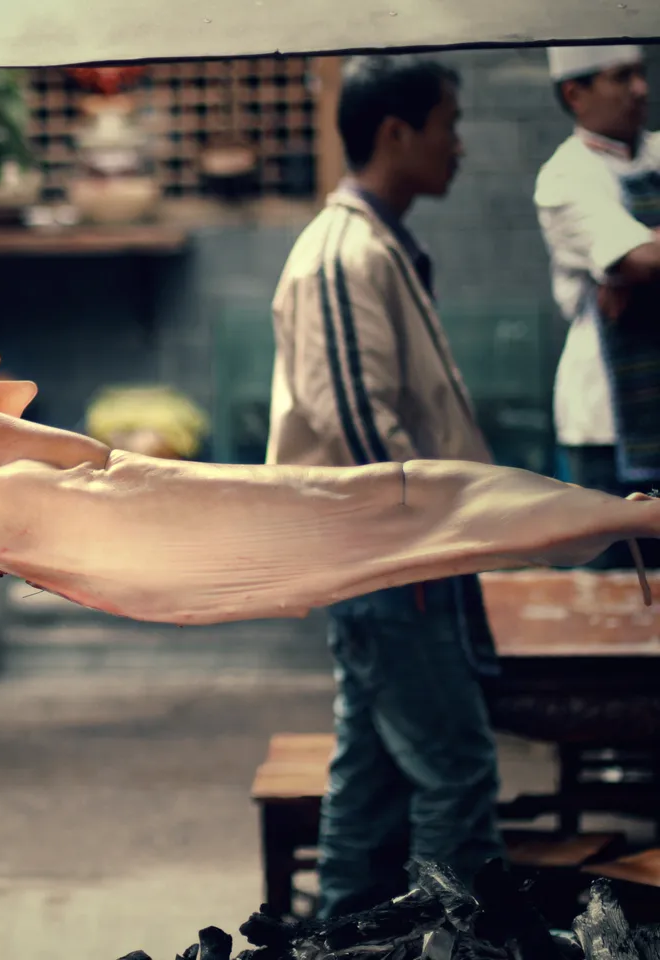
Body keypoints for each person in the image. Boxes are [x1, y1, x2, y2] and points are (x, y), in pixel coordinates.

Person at [266, 55, 506, 918]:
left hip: (401, 556)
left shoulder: (375, 245)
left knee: (371, 780)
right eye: (449, 125)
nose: (459, 146)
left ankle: (346, 934)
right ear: (397, 133)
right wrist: (421, 554)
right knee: (456, 771)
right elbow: (358, 427)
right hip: (394, 559)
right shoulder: (342, 254)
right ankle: (450, 937)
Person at [534, 44, 660, 569]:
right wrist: (637, 261)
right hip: (609, 426)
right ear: (575, 93)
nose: (641, 89)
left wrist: (641, 256)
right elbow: (636, 259)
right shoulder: (566, 176)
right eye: (621, 77)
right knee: (621, 586)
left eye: (641, 74)